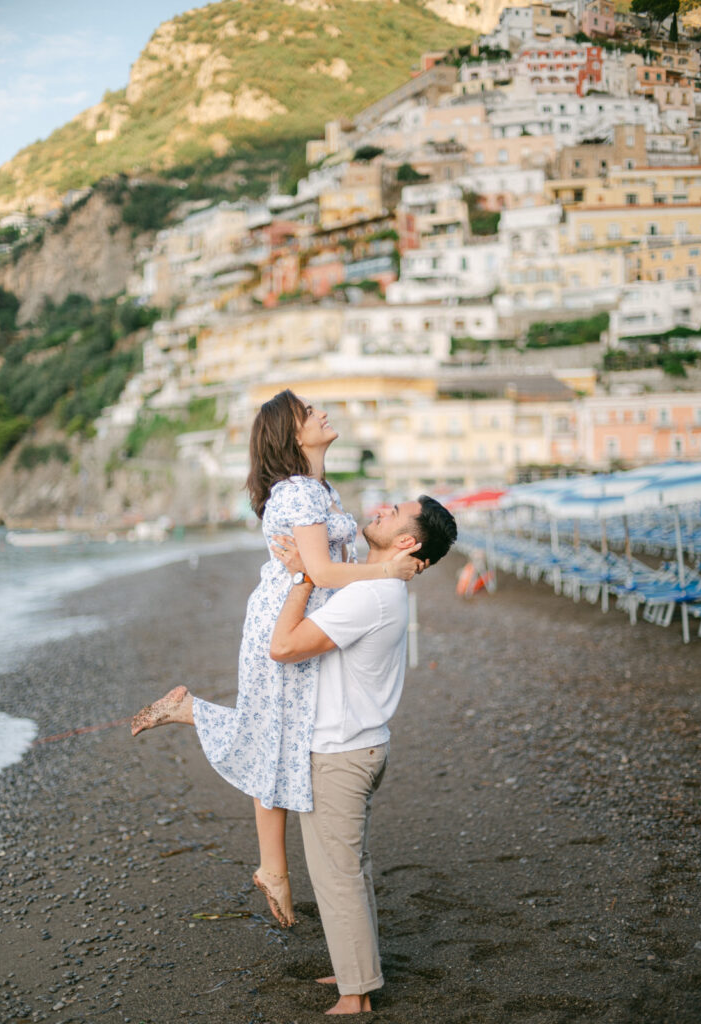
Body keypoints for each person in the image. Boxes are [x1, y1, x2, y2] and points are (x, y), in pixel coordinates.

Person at [130, 390, 420, 929]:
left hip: (302, 611)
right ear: (292, 435)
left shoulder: (319, 491)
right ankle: (274, 870)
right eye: (308, 413)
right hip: (283, 619)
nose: (322, 413)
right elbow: (324, 572)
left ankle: (192, 713)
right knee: (275, 740)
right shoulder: (299, 494)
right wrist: (389, 571)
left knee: (277, 736)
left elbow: (324, 568)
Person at [269, 495, 457, 1015]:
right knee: (349, 867)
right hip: (359, 746)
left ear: (407, 542)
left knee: (338, 873)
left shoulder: (370, 594)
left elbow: (283, 647)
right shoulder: (377, 586)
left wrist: (305, 578)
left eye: (395, 510)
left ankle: (355, 996)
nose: (381, 507)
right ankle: (357, 967)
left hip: (341, 753)